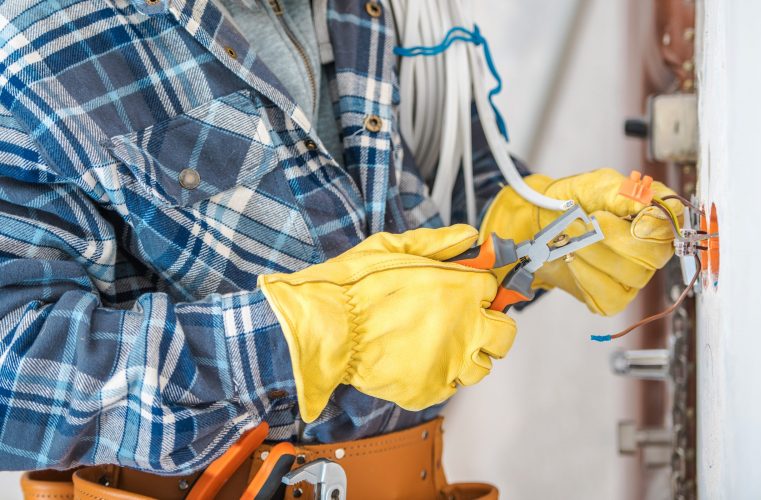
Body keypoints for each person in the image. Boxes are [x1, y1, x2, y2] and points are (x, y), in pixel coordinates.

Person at [0, 0, 680, 497]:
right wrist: (307, 337)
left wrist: (528, 230)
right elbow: (11, 378)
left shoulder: (387, 11)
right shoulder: (33, 39)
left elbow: (437, 186)